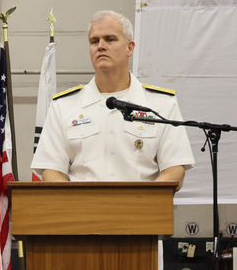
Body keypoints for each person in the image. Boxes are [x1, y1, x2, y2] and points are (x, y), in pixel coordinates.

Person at [31, 10, 194, 189]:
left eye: (110, 39)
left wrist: (144, 200)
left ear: (129, 48)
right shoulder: (64, 106)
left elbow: (175, 170)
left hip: (141, 212)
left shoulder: (160, 104)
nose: (100, 46)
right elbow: (51, 170)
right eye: (94, 41)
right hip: (82, 212)